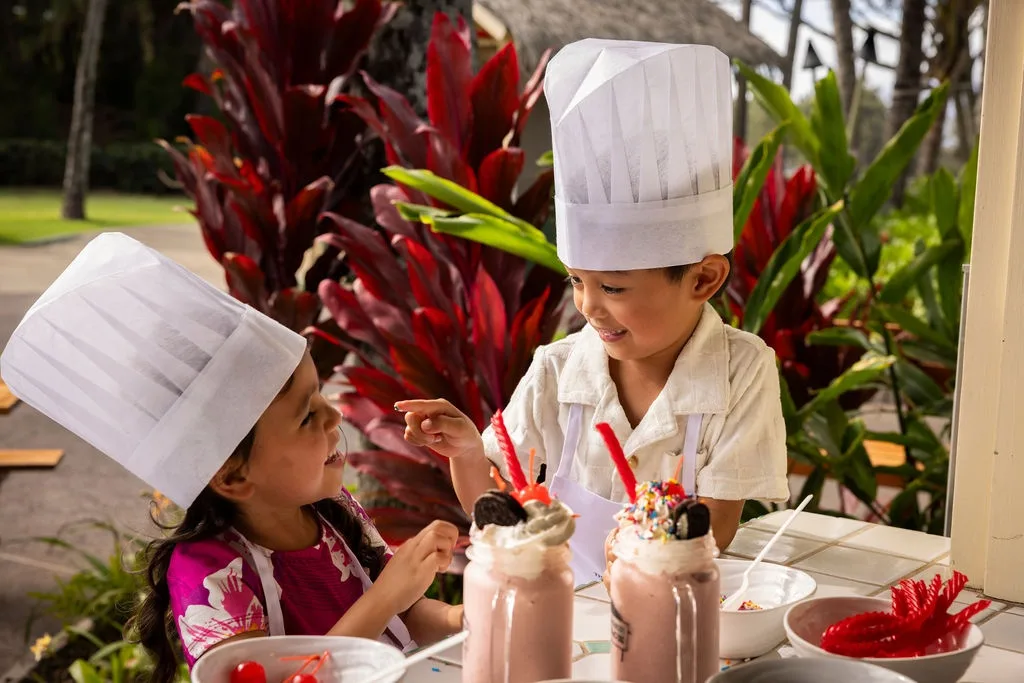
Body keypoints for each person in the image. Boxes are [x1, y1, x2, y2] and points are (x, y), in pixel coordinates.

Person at [399, 39, 790, 587]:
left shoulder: (741, 370)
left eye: (613, 286)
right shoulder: (558, 370)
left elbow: (717, 528)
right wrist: (467, 453)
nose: (588, 306)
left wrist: (638, 552)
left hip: (670, 601)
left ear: (703, 279)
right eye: (576, 281)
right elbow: (499, 512)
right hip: (563, 612)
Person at [0, 233, 462, 682]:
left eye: (320, 394)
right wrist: (385, 596)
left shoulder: (337, 512)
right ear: (233, 476)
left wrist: (465, 615)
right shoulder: (210, 574)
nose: (334, 414)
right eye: (306, 415)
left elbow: (408, 616)